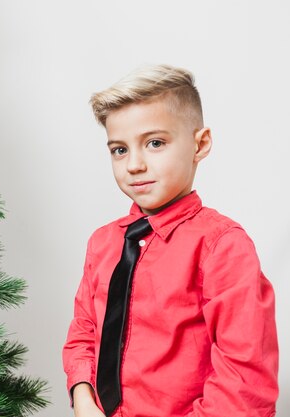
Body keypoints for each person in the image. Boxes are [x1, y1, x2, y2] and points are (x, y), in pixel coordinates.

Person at [62, 64, 279, 417]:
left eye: (155, 143)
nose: (134, 165)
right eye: (119, 149)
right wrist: (83, 398)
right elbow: (84, 333)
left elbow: (245, 383)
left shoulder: (222, 246)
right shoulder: (103, 243)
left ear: (200, 143)